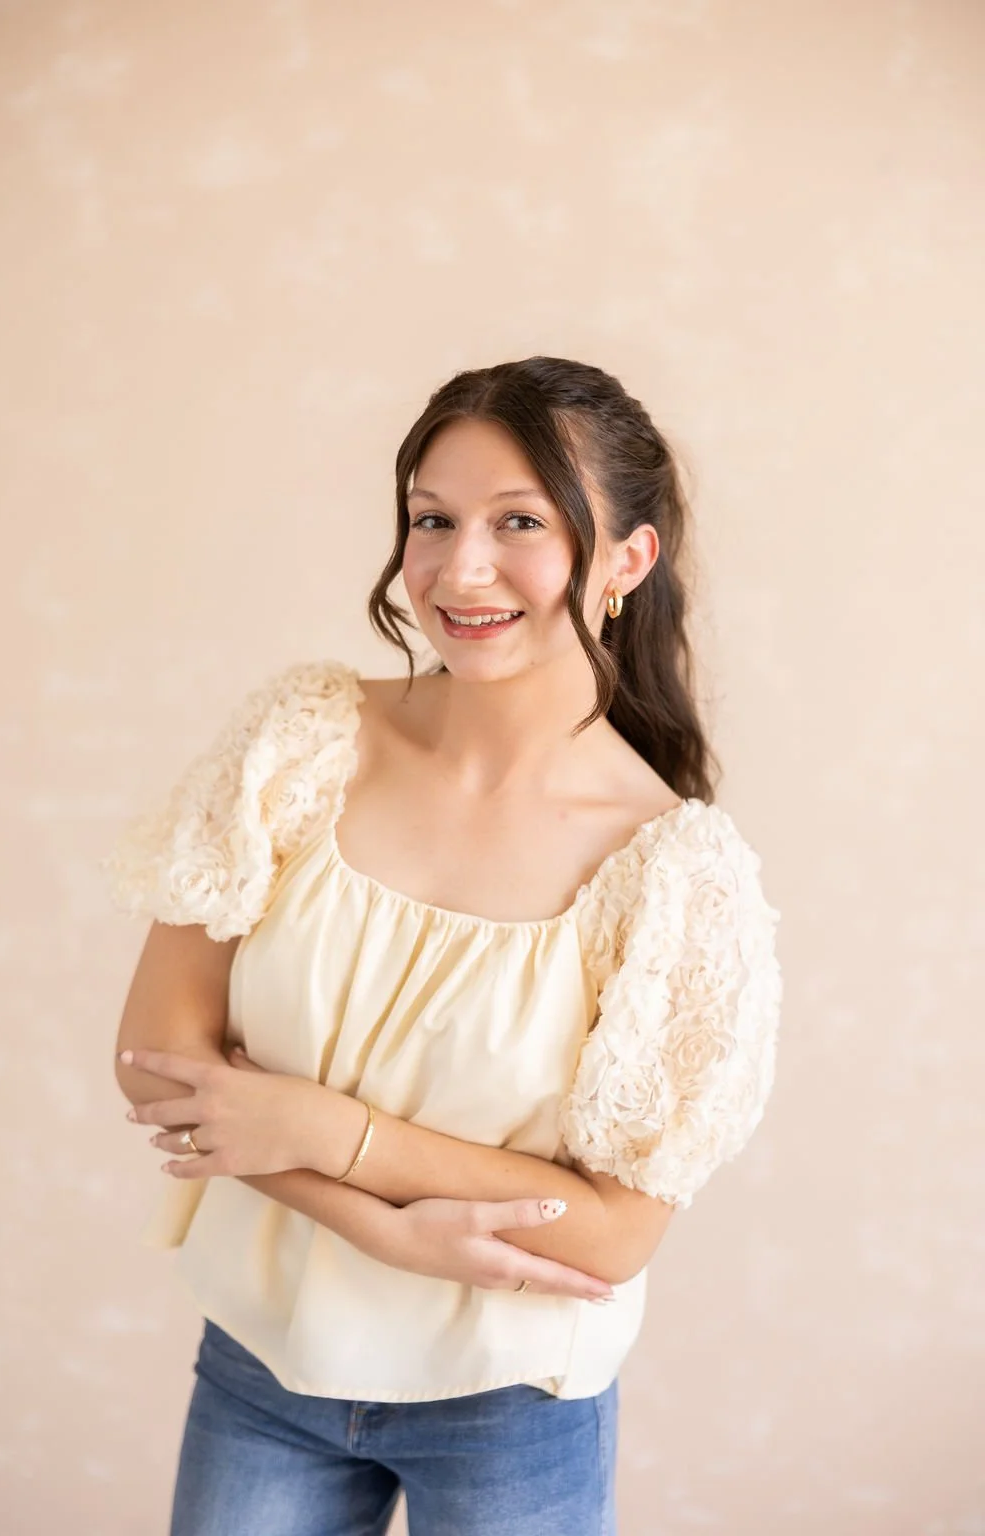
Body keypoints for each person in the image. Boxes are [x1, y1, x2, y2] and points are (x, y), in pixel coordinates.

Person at [104, 356, 783, 1536]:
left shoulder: (671, 875)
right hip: (264, 1368)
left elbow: (615, 1231)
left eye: (519, 521)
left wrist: (326, 1132)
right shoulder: (305, 740)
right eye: (433, 519)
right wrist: (377, 1220)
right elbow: (159, 1062)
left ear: (628, 560)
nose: (460, 569)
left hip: (510, 1402)